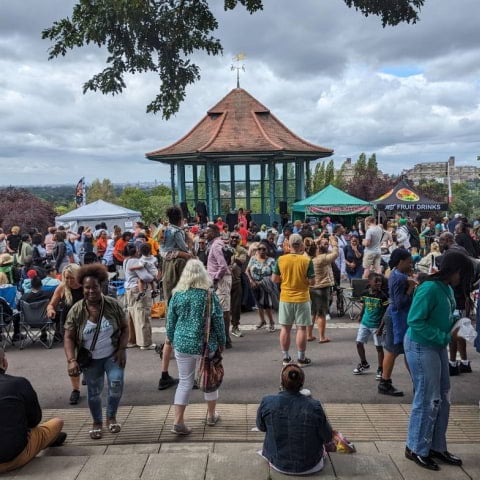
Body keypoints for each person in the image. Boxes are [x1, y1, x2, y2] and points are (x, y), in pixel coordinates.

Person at [404, 252, 474, 471]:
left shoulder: (446, 288)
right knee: (427, 398)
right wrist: (445, 337)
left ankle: (436, 446)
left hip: (436, 346)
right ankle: (415, 447)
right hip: (421, 346)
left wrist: (458, 322)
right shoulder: (429, 288)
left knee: (443, 396)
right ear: (454, 271)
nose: (462, 279)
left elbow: (444, 314)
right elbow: (415, 321)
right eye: (462, 274)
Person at [64, 264, 128, 440]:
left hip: (113, 354)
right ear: (82, 288)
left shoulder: (113, 305)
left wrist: (122, 349)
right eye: (87, 287)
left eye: (95, 287)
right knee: (93, 392)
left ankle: (111, 416)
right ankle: (97, 421)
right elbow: (68, 337)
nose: (91, 291)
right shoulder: (77, 310)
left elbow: (125, 328)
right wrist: (71, 360)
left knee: (116, 384)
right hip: (90, 359)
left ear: (101, 287)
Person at [166, 260, 226, 435]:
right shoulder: (208, 295)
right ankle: (211, 415)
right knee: (210, 379)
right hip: (205, 345)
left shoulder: (177, 295)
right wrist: (222, 341)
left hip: (182, 344)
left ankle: (178, 422)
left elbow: (170, 322)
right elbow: (218, 321)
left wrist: (171, 338)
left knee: (185, 381)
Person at [256, 364, 332, 475]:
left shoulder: (267, 401)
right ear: (302, 383)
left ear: (281, 382)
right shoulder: (314, 406)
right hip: (311, 465)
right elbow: (327, 436)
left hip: (278, 463)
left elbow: (261, 426)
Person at [0, 348, 66, 473]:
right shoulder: (18, 383)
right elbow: (34, 420)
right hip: (11, 458)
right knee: (57, 422)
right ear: (4, 363)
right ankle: (48, 439)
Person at [272, 234, 315, 367]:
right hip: (302, 298)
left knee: (285, 328)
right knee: (301, 328)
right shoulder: (307, 261)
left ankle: (286, 358)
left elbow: (274, 279)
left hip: (286, 297)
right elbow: (312, 282)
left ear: (288, 245)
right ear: (301, 245)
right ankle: (301, 358)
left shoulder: (281, 259)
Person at [378, 248, 415, 397]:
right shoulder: (400, 278)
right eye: (408, 262)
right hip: (397, 317)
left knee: (402, 350)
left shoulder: (396, 274)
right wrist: (411, 288)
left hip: (395, 316)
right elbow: (400, 303)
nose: (411, 264)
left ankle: (414, 381)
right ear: (401, 262)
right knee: (394, 350)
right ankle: (385, 382)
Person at [47, 263, 84, 404]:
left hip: (87, 327)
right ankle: (75, 390)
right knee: (71, 359)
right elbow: (51, 304)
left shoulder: (86, 287)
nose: (69, 281)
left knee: (87, 355)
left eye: (72, 278)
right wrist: (50, 310)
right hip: (68, 329)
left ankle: (86, 371)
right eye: (66, 278)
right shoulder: (62, 288)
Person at [352, 273, 388, 378]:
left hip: (377, 325)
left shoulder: (383, 296)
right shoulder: (365, 293)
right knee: (359, 343)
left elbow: (386, 314)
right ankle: (364, 363)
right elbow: (364, 305)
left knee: (379, 347)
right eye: (376, 281)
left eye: (380, 281)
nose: (378, 283)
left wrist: (381, 328)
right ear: (370, 282)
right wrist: (361, 315)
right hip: (365, 323)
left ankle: (380, 369)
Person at [206, 223, 233, 349]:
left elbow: (222, 266)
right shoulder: (217, 244)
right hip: (220, 280)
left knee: (223, 310)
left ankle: (225, 338)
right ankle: (223, 337)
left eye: (208, 232)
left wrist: (215, 279)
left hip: (221, 280)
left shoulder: (216, 246)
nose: (206, 234)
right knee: (220, 310)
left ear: (215, 232)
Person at [308, 235, 338, 343]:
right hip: (321, 288)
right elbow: (335, 254)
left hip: (311, 288)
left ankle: (309, 335)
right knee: (321, 313)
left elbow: (310, 247)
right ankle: (322, 337)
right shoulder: (321, 259)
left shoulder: (309, 258)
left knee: (313, 312)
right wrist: (334, 243)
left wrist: (317, 240)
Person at [246, 241, 278, 332]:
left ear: (267, 250)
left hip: (266, 286)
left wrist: (262, 282)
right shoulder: (253, 258)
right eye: (259, 249)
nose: (261, 251)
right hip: (254, 285)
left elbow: (274, 274)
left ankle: (271, 322)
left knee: (267, 305)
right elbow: (247, 271)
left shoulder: (271, 260)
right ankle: (263, 321)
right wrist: (252, 281)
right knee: (258, 304)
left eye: (264, 249)